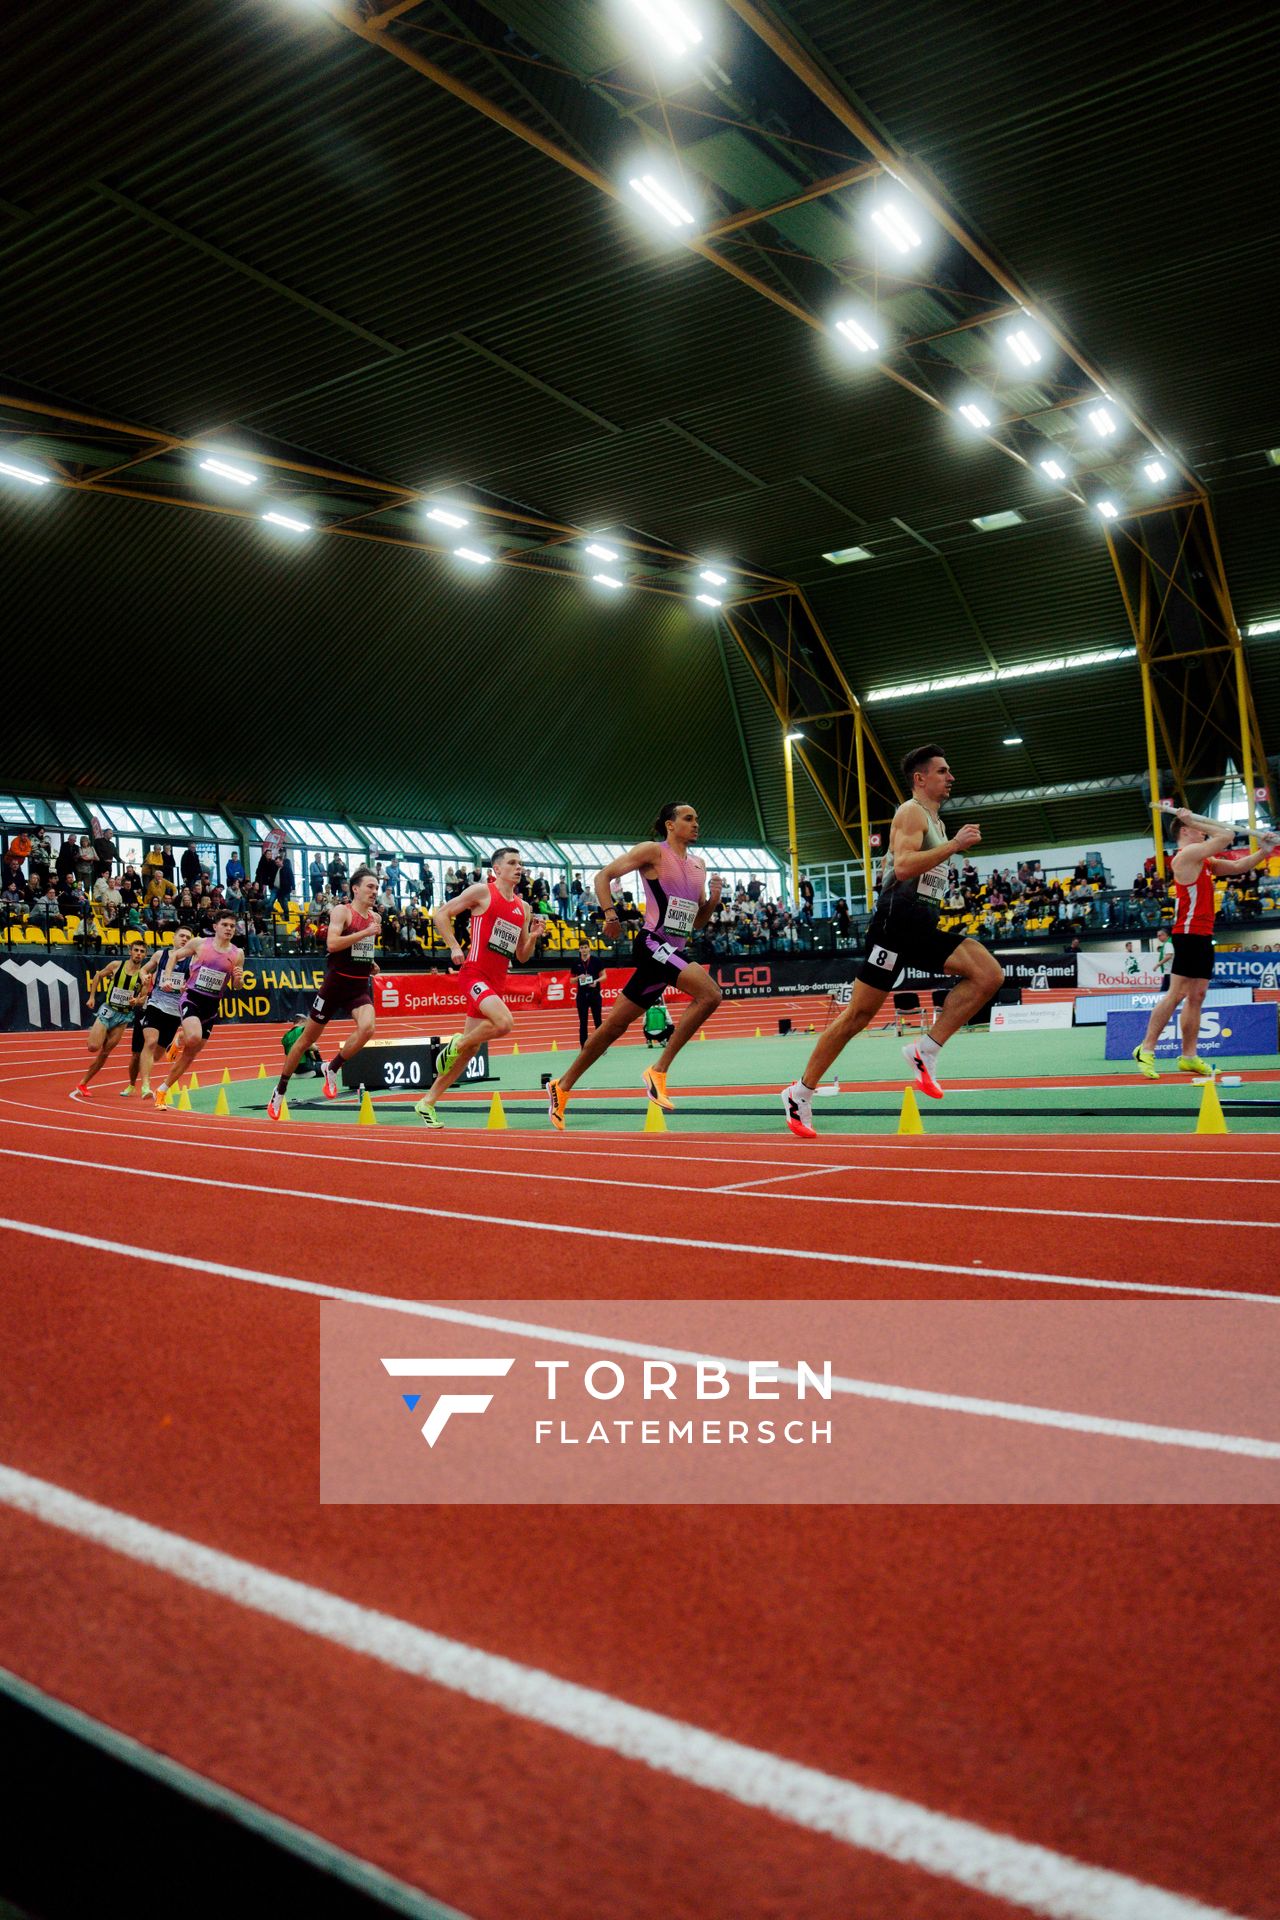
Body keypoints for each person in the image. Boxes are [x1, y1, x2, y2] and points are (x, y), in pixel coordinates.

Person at [781, 744, 1003, 1139]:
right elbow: (902, 867)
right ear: (920, 778)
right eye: (942, 771)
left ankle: (926, 1050)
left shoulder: (935, 818)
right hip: (893, 929)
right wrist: (953, 847)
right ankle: (799, 1093)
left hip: (921, 928)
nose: (950, 777)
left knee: (988, 974)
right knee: (857, 1018)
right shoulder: (910, 812)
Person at [546, 803, 723, 1130]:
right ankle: (659, 1070)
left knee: (613, 1026)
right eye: (689, 818)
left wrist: (712, 899)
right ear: (670, 825)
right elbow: (603, 876)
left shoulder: (699, 865)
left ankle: (562, 1086)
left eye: (698, 818)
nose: (696, 824)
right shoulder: (653, 852)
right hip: (653, 943)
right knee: (711, 995)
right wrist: (610, 914)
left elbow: (695, 922)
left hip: (672, 950)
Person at [1132, 810, 1278, 1080]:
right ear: (1186, 830)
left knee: (1197, 996)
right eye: (1199, 828)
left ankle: (1189, 1056)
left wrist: (1263, 852)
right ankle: (1146, 1048)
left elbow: (1236, 867)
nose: (1203, 831)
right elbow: (1226, 835)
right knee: (1175, 995)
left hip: (1203, 934)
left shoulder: (1205, 861)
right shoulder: (1185, 856)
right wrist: (1192, 819)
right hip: (1187, 934)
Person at [413, 849, 542, 1129]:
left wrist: (531, 937)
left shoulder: (524, 908)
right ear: (496, 869)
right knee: (505, 1023)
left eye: (520, 863)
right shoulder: (483, 892)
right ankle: (455, 1042)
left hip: (497, 982)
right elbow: (442, 914)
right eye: (512, 863)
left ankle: (427, 1102)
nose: (519, 867)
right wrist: (455, 946)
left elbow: (521, 956)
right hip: (474, 974)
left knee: (470, 1051)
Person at [268, 867, 382, 1119]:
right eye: (370, 887)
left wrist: (370, 963)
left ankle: (333, 1067)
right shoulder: (342, 911)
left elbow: (361, 949)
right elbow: (332, 944)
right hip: (334, 986)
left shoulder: (376, 918)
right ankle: (280, 1089)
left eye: (376, 887)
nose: (375, 891)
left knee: (368, 1028)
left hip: (358, 986)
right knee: (304, 1042)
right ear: (355, 888)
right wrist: (365, 933)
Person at [153, 911, 245, 1106]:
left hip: (211, 1006)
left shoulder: (237, 953)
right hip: (192, 998)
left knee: (191, 1053)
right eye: (225, 924)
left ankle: (162, 1090)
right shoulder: (200, 943)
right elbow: (175, 955)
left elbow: (237, 987)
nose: (229, 928)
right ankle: (180, 1037)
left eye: (232, 926)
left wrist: (238, 979)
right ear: (215, 927)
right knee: (193, 1038)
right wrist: (167, 978)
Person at [71, 940, 152, 1100]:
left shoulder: (144, 975)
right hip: (108, 1011)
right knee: (94, 1046)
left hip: (124, 1017)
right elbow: (98, 975)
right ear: (130, 951)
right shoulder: (116, 965)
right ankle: (98, 1034)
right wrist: (92, 997)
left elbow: (143, 999)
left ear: (145, 955)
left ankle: (83, 1083)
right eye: (136, 950)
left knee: (105, 1052)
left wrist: (137, 1001)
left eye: (142, 951)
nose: (138, 954)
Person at [123, 932, 192, 1100]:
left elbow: (195, 982)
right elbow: (145, 969)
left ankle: (142, 1072)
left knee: (157, 1055)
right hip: (155, 1004)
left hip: (175, 1011)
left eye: (188, 938)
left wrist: (186, 987)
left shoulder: (193, 961)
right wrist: (144, 976)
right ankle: (145, 1085)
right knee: (150, 1042)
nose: (184, 939)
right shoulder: (161, 955)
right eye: (181, 936)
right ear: (173, 938)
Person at [572, 939, 604, 1047]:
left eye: (586, 947)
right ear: (579, 949)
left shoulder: (596, 960)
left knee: (598, 1021)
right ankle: (584, 1046)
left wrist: (596, 981)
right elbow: (571, 980)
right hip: (582, 996)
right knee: (583, 1022)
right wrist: (578, 977)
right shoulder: (576, 963)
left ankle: (601, 1045)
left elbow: (604, 976)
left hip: (594, 993)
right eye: (582, 948)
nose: (584, 950)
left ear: (589, 948)